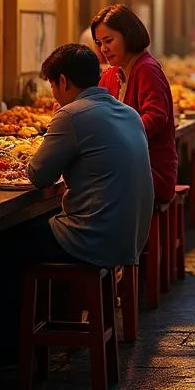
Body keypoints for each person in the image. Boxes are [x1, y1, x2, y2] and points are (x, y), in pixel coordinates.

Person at [26, 44, 154, 265]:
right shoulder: (130, 113)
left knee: (2, 243)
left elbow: (39, 175)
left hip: (91, 241)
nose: (54, 95)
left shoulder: (71, 114)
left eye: (53, 85)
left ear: (63, 81)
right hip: (131, 240)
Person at [93, 4, 178, 205]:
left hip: (151, 171)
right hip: (124, 167)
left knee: (89, 193)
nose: (103, 49)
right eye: (99, 43)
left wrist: (119, 139)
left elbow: (156, 116)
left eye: (109, 41)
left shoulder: (146, 68)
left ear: (128, 35)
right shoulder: (111, 74)